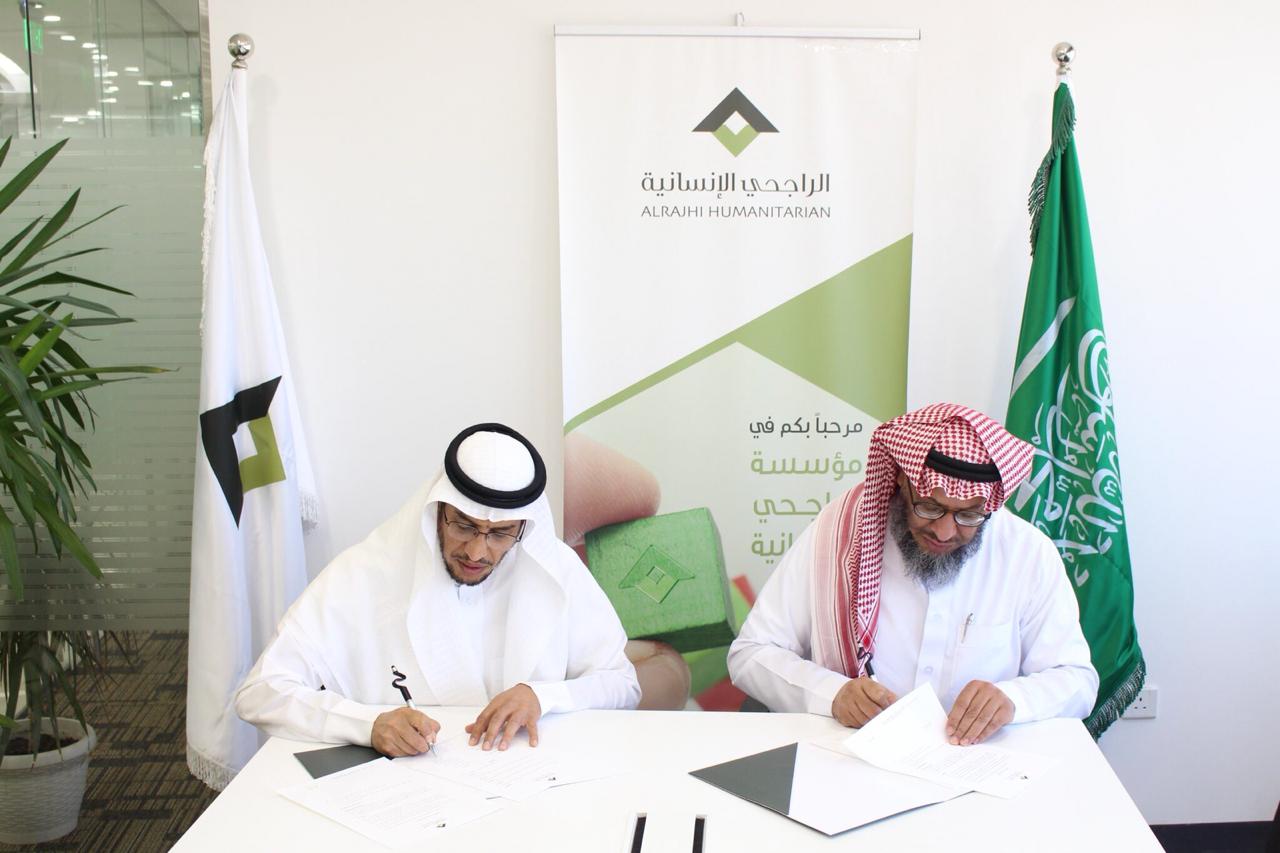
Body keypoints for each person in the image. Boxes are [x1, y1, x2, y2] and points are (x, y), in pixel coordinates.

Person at [235, 423, 640, 757]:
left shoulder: (556, 571)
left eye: (500, 534)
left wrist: (542, 697)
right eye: (463, 526)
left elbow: (623, 684)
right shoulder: (364, 573)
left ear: (524, 528)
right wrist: (368, 724)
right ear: (437, 510)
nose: (477, 552)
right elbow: (261, 692)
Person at [728, 403, 1098, 745]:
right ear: (902, 482)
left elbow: (1078, 680)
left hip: (974, 768)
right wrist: (832, 694)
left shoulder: (1027, 553)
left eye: (968, 515)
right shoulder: (838, 536)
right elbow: (751, 654)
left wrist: (1013, 700)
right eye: (930, 507)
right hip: (850, 758)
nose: (945, 532)